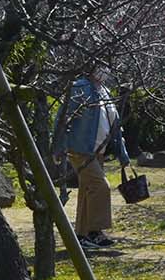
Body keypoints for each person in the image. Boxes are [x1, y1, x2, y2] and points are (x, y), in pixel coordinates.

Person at [50, 64, 130, 249]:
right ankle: (95, 231)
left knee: (88, 192)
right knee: (100, 186)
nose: (106, 71)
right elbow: (63, 117)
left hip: (98, 151)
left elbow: (115, 125)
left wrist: (122, 154)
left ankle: (81, 235)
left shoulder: (105, 91)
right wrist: (58, 147)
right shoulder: (80, 87)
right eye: (101, 66)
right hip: (81, 149)